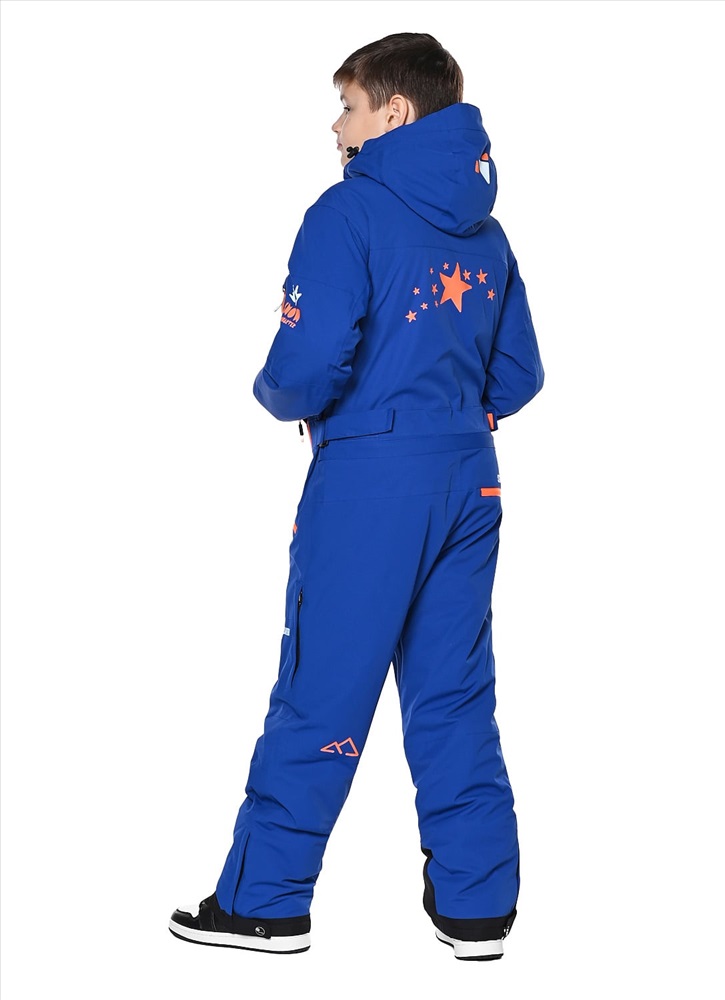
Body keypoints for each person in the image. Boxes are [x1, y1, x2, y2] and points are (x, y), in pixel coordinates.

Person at [169, 31, 544, 962]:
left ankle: (265, 903)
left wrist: (283, 397)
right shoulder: (488, 233)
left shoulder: (348, 212)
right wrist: (447, 413)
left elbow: (304, 364)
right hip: (469, 478)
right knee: (454, 692)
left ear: (394, 113)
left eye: (348, 106)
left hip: (372, 482)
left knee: (323, 686)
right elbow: (519, 375)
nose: (337, 127)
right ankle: (478, 907)